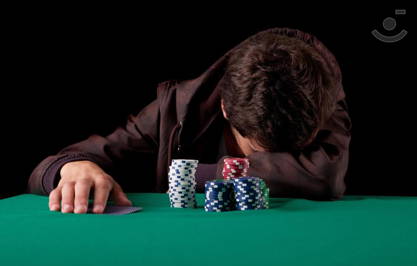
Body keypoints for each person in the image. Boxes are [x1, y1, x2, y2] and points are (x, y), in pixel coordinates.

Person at [28, 27, 351, 214]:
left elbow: (324, 177)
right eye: (256, 148)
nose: (263, 162)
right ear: (226, 108)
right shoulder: (175, 109)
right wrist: (71, 167)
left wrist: (192, 175)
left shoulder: (318, 96)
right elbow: (50, 166)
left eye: (292, 152)